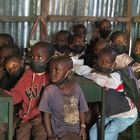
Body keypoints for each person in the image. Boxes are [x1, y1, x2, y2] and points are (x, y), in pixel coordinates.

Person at [74, 47, 138, 140]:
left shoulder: (116, 77)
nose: (104, 64)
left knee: (108, 133)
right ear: (95, 61)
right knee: (93, 132)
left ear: (114, 65)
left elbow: (102, 80)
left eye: (108, 62)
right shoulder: (96, 72)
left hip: (126, 115)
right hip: (108, 114)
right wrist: (91, 71)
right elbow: (77, 68)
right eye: (101, 61)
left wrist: (91, 72)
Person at [2, 41, 54, 140]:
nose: (34, 60)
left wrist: (43, 116)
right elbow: (17, 94)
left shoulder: (53, 77)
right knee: (21, 135)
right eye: (32, 57)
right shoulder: (28, 75)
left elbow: (56, 103)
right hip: (27, 117)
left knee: (41, 135)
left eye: (39, 57)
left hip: (45, 119)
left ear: (51, 59)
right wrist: (4, 94)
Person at [39, 56, 89, 140]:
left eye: (57, 70)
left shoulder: (76, 87)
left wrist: (83, 127)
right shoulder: (49, 91)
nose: (53, 73)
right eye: (51, 70)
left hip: (75, 131)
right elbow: (46, 116)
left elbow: (82, 109)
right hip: (58, 131)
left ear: (68, 72)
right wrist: (50, 134)